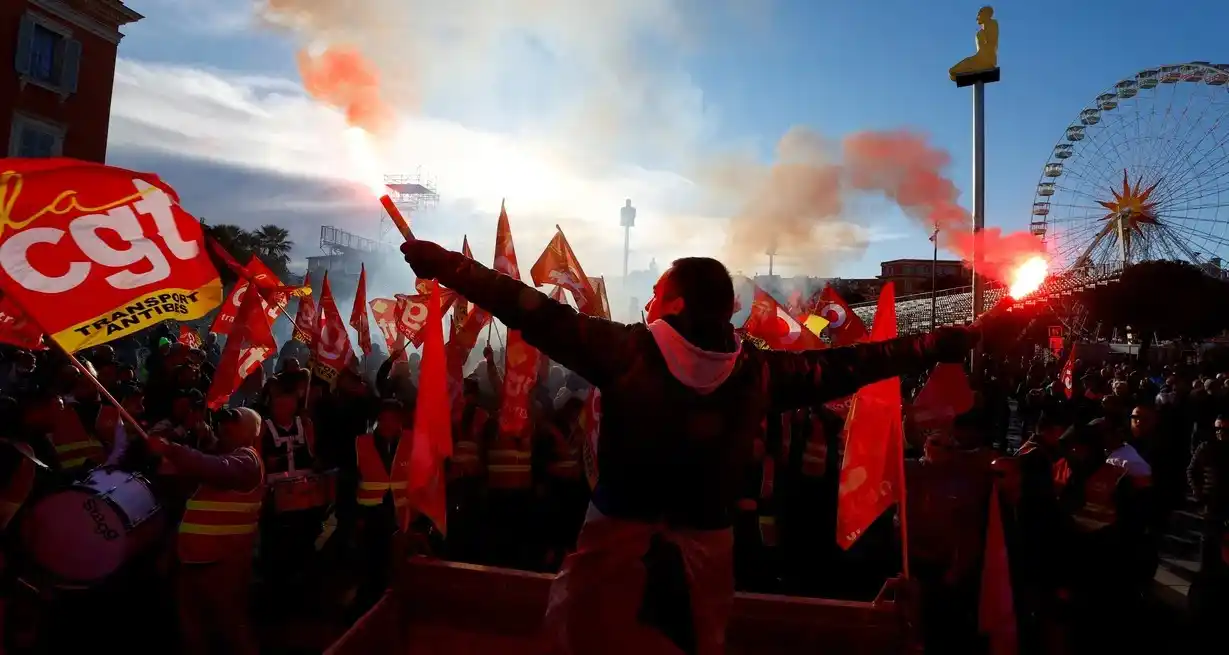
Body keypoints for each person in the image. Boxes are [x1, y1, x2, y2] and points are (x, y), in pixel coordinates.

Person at [401, 238, 975, 654]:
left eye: (655, 293)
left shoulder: (625, 354)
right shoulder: (759, 376)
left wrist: (446, 265)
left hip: (608, 567)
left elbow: (524, 306)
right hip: (706, 571)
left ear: (675, 304)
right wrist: (940, 343)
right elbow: (859, 362)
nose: (647, 303)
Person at [150, 407, 264, 655]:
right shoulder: (217, 455)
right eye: (222, 422)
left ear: (252, 432)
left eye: (234, 423)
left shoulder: (248, 460)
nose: (225, 427)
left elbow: (216, 468)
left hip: (224, 563)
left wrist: (172, 449)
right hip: (193, 560)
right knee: (193, 631)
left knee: (230, 629)